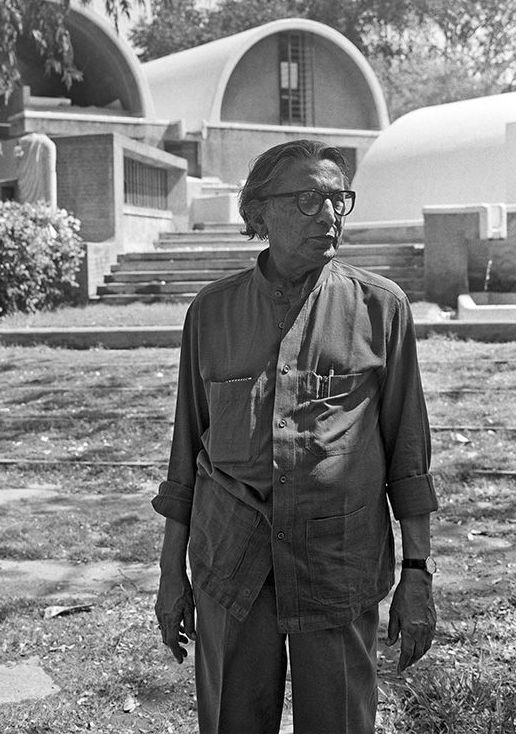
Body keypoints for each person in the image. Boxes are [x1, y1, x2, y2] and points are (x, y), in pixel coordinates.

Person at [152, 139, 437, 734]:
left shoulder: (381, 309)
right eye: (309, 199)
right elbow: (186, 455)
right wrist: (170, 574)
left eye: (338, 199)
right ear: (259, 213)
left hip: (337, 563)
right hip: (231, 565)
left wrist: (418, 571)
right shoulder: (211, 313)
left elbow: (407, 457)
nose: (330, 215)